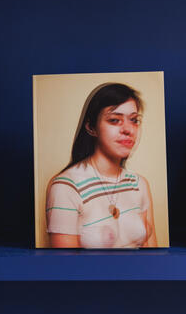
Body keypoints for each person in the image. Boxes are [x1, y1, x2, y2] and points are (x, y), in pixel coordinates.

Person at [45, 82, 157, 248]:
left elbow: (152, 256)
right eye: (114, 120)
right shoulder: (66, 187)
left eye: (134, 120)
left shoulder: (139, 184)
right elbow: (66, 268)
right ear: (91, 127)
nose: (128, 129)